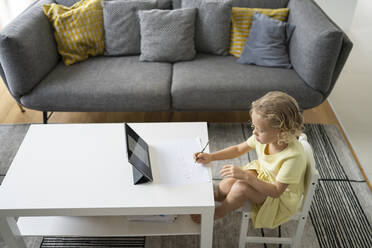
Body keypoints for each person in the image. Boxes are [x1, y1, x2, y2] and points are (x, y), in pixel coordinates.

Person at [192, 91, 307, 229]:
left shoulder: (293, 158)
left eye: (260, 130)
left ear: (281, 131)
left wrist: (245, 176)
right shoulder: (266, 138)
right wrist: (211, 157)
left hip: (277, 198)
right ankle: (220, 196)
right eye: (254, 127)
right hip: (263, 176)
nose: (254, 132)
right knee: (227, 183)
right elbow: (238, 149)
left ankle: (219, 212)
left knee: (241, 187)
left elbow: (276, 192)